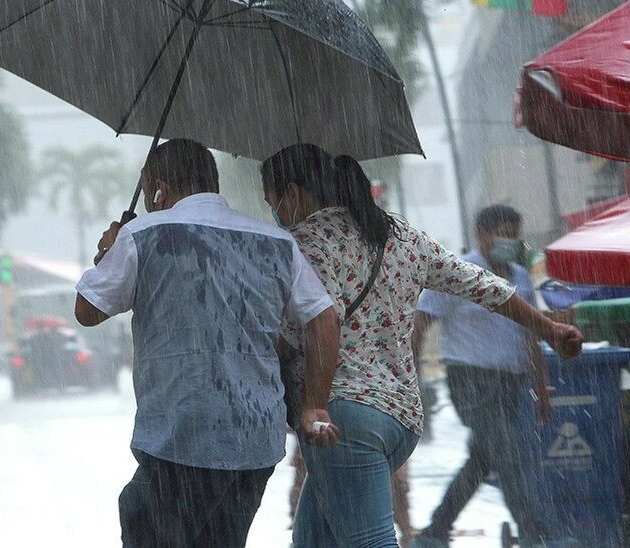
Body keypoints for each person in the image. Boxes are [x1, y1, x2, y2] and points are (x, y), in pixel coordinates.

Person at [261, 145, 582, 548]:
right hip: (401, 419)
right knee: (313, 538)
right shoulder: (402, 236)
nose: (275, 212)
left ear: (292, 193)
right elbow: (482, 285)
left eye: (272, 202)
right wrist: (548, 328)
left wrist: (309, 401)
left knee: (371, 541)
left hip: (342, 420)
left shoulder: (304, 242)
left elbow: (317, 325)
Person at [74, 138, 342, 548]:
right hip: (255, 441)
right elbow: (324, 318)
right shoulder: (275, 241)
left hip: (180, 434)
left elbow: (88, 310)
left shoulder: (143, 235)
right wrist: (315, 404)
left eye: (147, 191)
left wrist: (110, 250)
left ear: (158, 189)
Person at [413, 205, 553, 548]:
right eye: (502, 235)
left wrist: (541, 387)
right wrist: (408, 373)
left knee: (483, 458)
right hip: (470, 380)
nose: (509, 242)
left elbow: (531, 335)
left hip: (511, 382)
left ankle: (435, 530)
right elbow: (421, 323)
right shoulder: (459, 273)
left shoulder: (520, 278)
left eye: (514, 236)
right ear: (481, 235)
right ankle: (533, 534)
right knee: (507, 454)